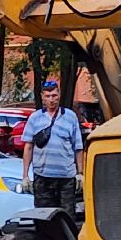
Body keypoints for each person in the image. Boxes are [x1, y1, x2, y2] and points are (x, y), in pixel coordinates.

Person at [21, 79, 85, 218]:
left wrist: (80, 173)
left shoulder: (70, 117)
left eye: (54, 95)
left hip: (66, 177)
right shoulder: (35, 118)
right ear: (42, 97)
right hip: (42, 177)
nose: (51, 99)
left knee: (67, 217)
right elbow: (28, 147)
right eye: (48, 96)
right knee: (43, 217)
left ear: (59, 95)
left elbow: (78, 147)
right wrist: (25, 175)